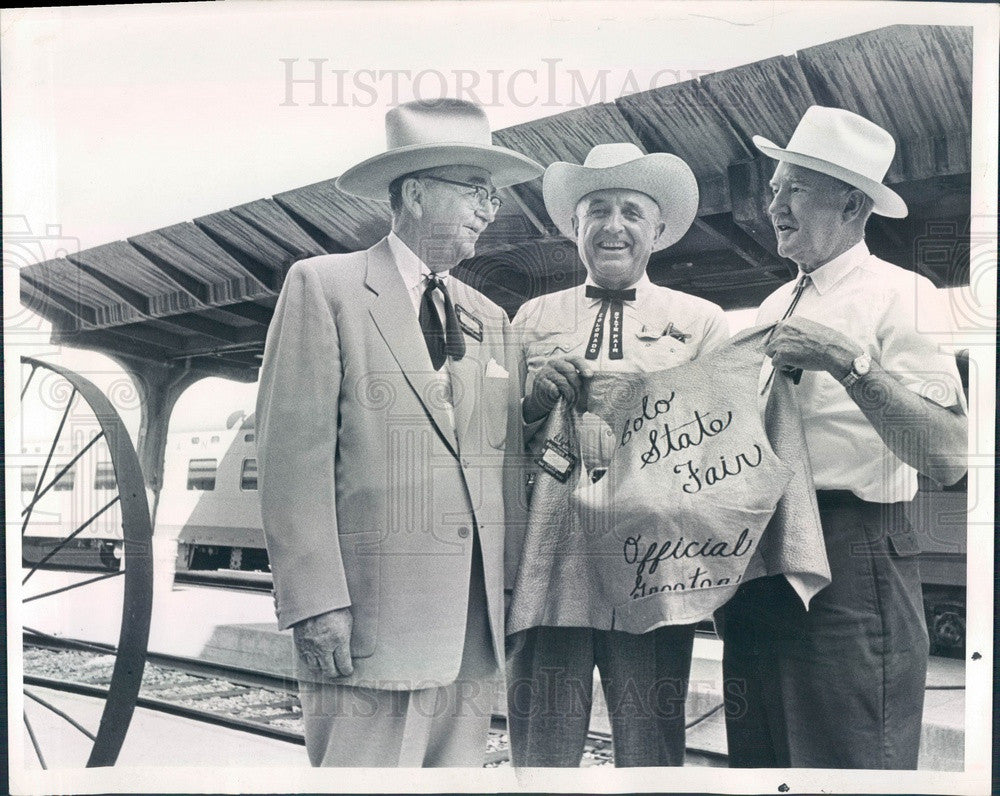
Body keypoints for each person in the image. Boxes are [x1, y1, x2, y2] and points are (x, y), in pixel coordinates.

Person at [255, 98, 542, 767]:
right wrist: (316, 601)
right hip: (369, 623)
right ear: (414, 192)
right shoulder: (324, 288)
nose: (488, 209)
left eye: (493, 197)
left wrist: (510, 595)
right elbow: (292, 462)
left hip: (473, 627)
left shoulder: (492, 317)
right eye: (475, 190)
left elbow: (501, 466)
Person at [717, 105, 968, 769]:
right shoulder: (774, 304)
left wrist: (851, 364)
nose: (774, 204)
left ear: (852, 204)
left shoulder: (903, 295)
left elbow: (946, 455)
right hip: (759, 558)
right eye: (773, 188)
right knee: (762, 762)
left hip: (850, 558)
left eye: (794, 187)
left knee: (850, 761)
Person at [506, 143, 729, 767]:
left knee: (651, 748)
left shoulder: (704, 321)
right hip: (549, 561)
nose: (613, 226)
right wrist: (531, 403)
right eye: (596, 209)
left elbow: (722, 447)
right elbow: (491, 444)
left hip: (650, 566)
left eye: (632, 211)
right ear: (574, 227)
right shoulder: (531, 317)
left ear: (657, 230)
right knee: (541, 750)